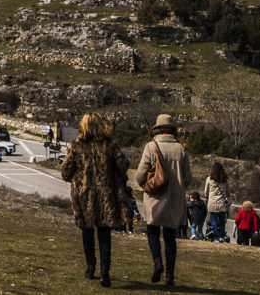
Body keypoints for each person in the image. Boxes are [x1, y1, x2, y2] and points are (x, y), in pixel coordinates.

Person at [60, 113, 130, 288]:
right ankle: (105, 271)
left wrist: (78, 178)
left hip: (84, 195)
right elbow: (123, 164)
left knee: (87, 231)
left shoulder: (77, 146)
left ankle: (91, 266)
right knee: (105, 234)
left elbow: (65, 172)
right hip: (106, 194)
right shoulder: (109, 145)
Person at [135, 114, 191, 287]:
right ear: (172, 130)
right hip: (174, 200)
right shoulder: (181, 150)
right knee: (169, 237)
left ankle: (157, 262)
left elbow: (139, 175)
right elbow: (188, 178)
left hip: (155, 197)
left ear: (157, 129)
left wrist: (147, 185)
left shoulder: (151, 147)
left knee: (152, 231)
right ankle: (170, 274)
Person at [204, 162, 230, 243]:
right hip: (222, 203)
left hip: (212, 202)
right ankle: (222, 236)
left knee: (213, 221)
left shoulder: (209, 179)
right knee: (222, 221)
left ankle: (216, 237)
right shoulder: (225, 180)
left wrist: (208, 198)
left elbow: (206, 192)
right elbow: (228, 192)